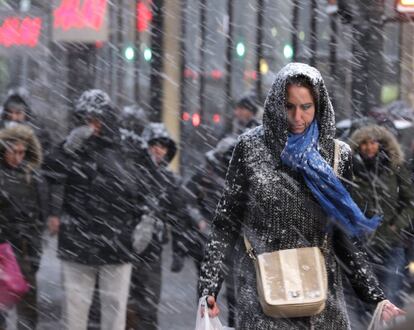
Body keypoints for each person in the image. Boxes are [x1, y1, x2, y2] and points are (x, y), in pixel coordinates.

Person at [198, 63, 404, 329]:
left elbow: (343, 236)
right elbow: (226, 223)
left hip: (321, 296)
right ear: (275, 105)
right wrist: (209, 287)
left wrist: (375, 297)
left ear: (318, 106)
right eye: (289, 106)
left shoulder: (336, 155)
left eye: (306, 107)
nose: (297, 116)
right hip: (264, 293)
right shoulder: (250, 148)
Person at [43, 89, 144, 330]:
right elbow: (49, 173)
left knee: (114, 305)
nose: (91, 125)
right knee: (75, 305)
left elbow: (143, 186)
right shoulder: (72, 146)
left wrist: (143, 219)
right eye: (86, 119)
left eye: (96, 118)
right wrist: (67, 149)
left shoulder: (127, 147)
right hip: (78, 236)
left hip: (116, 238)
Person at [126, 122, 189, 330]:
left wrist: (179, 250)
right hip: (125, 249)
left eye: (163, 145)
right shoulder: (130, 174)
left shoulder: (170, 180)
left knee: (149, 308)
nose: (158, 149)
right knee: (125, 307)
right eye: (154, 144)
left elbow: (179, 217)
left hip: (153, 252)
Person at [349, 125, 414, 306]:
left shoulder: (395, 167)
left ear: (381, 144)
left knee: (390, 299)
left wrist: (396, 225)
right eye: (363, 143)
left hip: (391, 244)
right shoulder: (351, 170)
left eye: (373, 142)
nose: (368, 147)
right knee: (365, 303)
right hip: (361, 244)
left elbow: (410, 202)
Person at [183, 135, 237, 326]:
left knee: (234, 297)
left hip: (233, 243)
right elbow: (188, 200)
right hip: (207, 243)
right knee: (208, 295)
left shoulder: (241, 176)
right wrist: (200, 222)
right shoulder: (206, 173)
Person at [0, 124, 47, 330]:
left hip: (25, 246)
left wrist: (34, 244)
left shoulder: (32, 176)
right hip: (2, 247)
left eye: (22, 152)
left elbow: (40, 214)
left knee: (28, 308)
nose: (18, 157)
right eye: (13, 151)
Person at [2, 90, 52, 156]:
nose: (13, 117)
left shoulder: (38, 132)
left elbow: (44, 156)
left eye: (18, 113)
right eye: (10, 112)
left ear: (25, 114)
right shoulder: (2, 129)